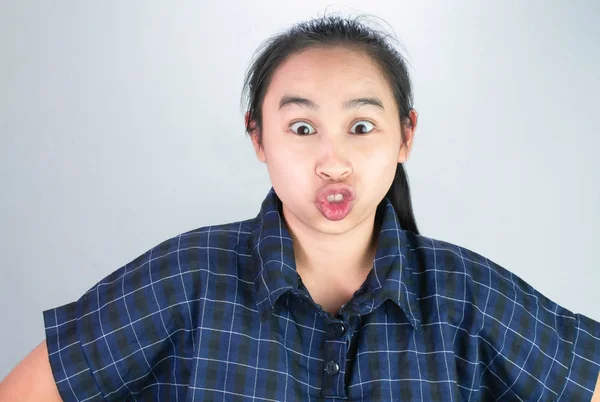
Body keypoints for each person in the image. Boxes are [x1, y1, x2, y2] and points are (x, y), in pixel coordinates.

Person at [1, 14, 599, 402]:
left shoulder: (465, 294)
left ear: (405, 135)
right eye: (303, 127)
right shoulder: (186, 278)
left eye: (361, 126)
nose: (332, 161)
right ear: (258, 137)